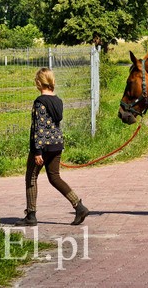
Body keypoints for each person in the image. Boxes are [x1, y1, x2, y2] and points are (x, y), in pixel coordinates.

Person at [15, 68, 89, 226]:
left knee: (31, 177)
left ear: (39, 82)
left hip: (43, 147)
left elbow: (39, 128)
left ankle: (31, 215)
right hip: (57, 144)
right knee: (55, 177)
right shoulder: (58, 101)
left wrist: (37, 151)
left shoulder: (40, 102)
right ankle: (79, 207)